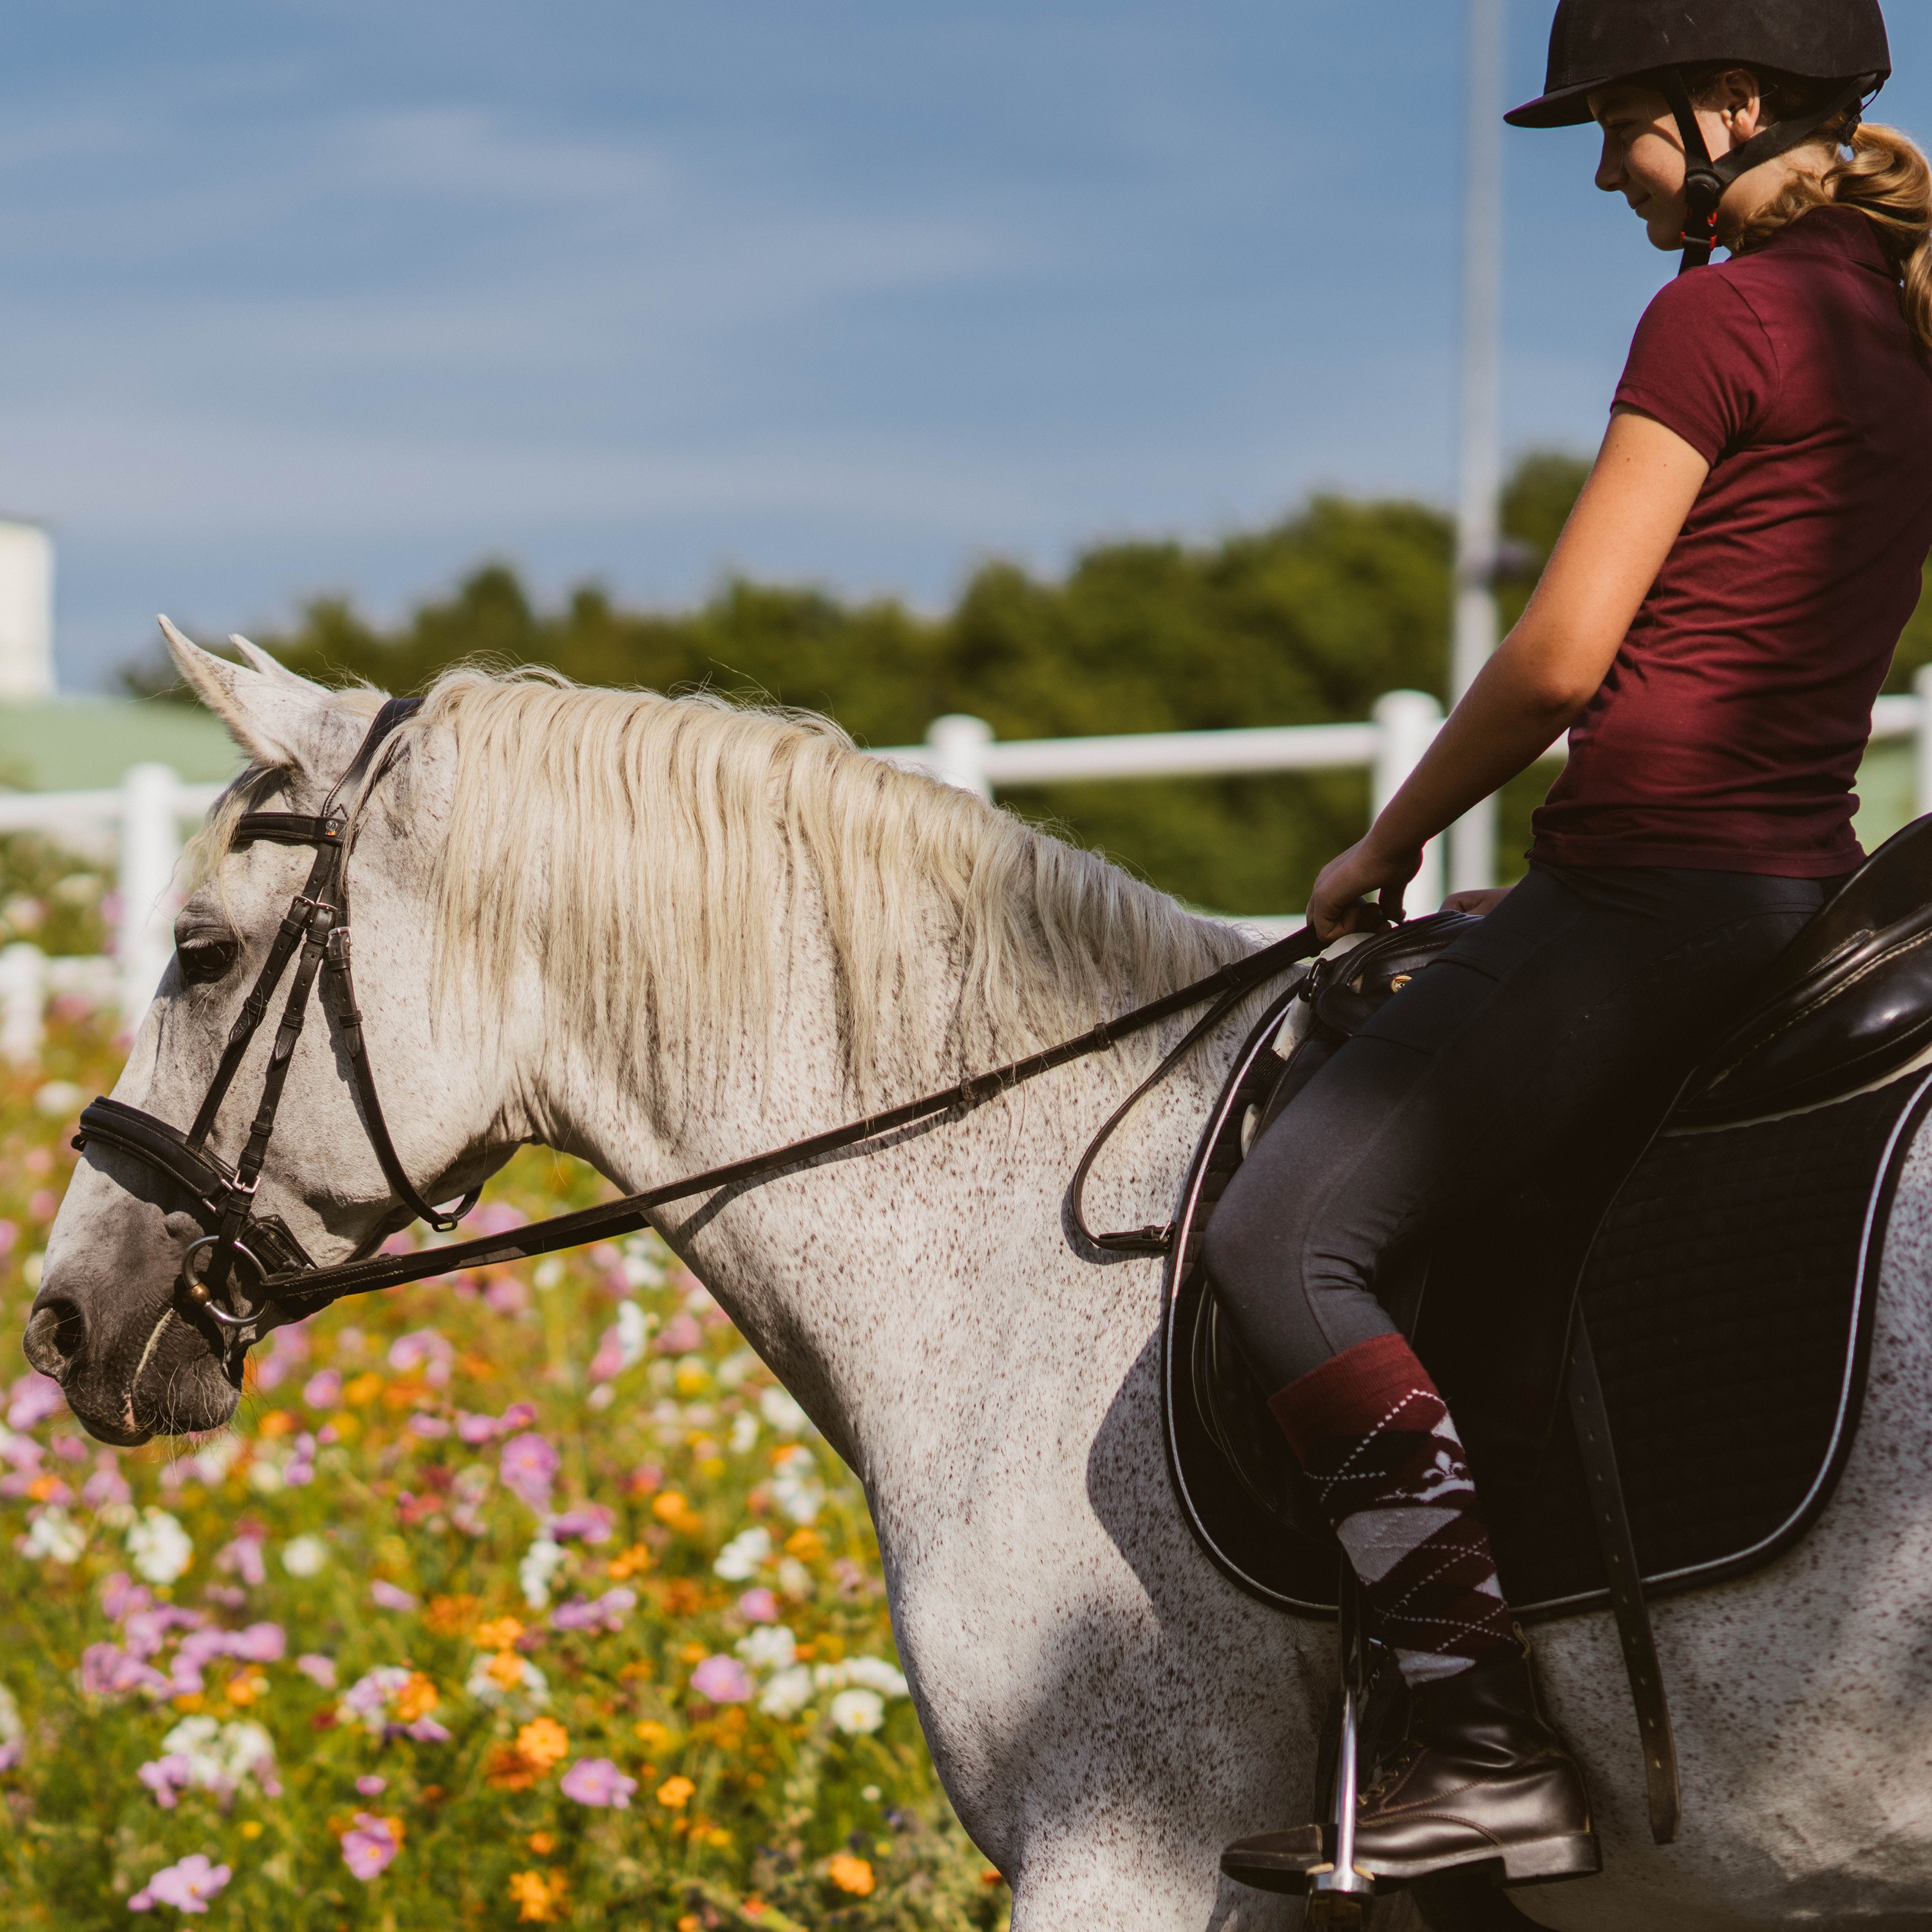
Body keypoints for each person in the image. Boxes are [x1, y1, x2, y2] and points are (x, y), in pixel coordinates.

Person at [1213, 0, 1932, 1892]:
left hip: (1652, 883)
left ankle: (1472, 1737)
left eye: (1617, 126)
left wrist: (1380, 839)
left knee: (1283, 1234)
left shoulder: (1719, 312)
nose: (1609, 171)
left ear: (1721, 105)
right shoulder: (1895, 315)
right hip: (1783, 885)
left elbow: (1559, 652)